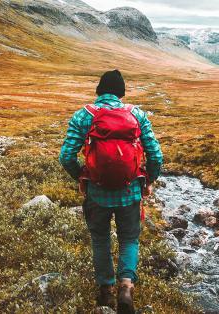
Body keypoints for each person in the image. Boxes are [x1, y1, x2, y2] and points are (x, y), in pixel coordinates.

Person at [59, 70, 163, 313]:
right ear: (121, 93)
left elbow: (66, 157)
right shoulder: (137, 114)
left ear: (99, 91)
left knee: (100, 239)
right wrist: (149, 180)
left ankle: (105, 291)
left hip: (97, 192)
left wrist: (83, 176)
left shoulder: (84, 115)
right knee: (129, 238)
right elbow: (156, 155)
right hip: (130, 192)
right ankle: (126, 287)